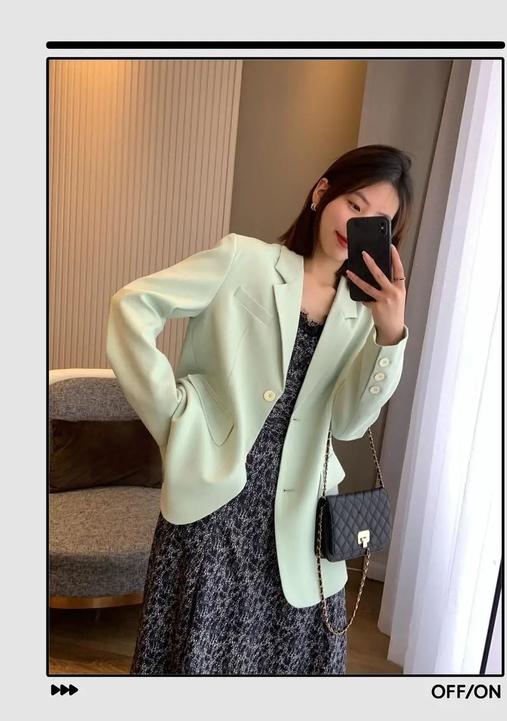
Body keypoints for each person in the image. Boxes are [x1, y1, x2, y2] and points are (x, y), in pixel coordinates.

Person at [106, 143, 413, 675]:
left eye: (377, 220)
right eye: (354, 204)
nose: (357, 224)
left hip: (302, 518)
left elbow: (349, 423)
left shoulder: (362, 313)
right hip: (216, 505)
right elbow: (132, 306)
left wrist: (391, 335)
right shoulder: (244, 260)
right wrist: (175, 416)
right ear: (323, 192)